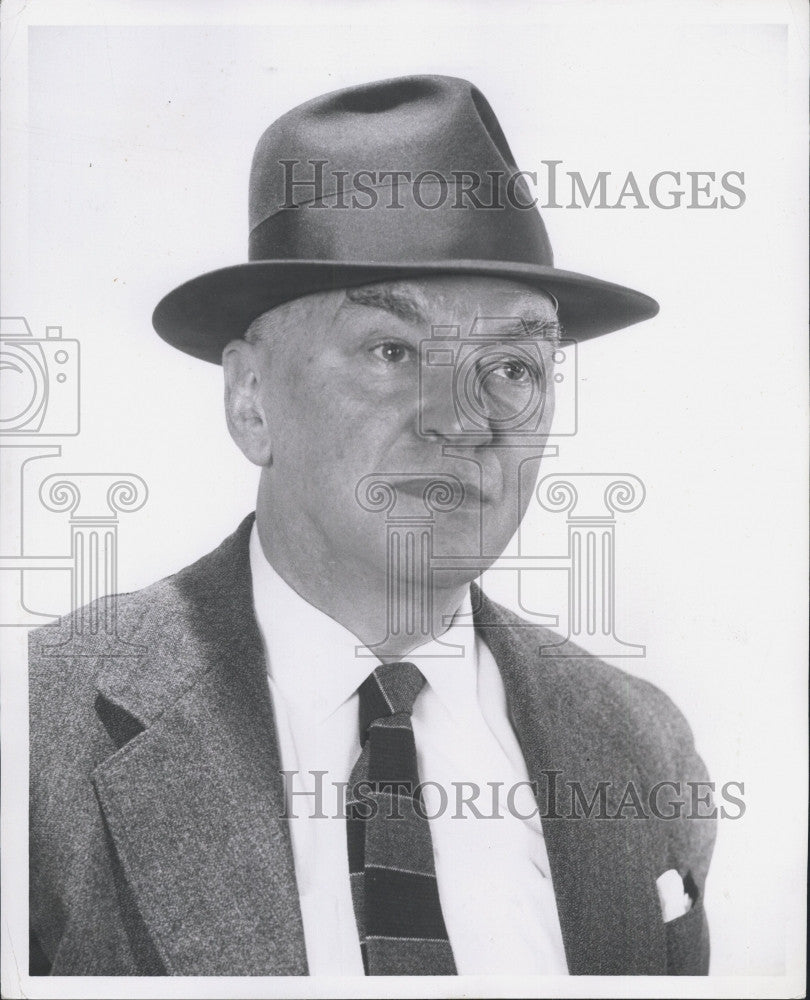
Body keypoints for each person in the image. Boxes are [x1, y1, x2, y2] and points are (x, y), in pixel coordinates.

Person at [29, 75, 715, 977]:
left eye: (513, 365)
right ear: (250, 400)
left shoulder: (641, 746)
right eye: (392, 352)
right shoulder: (37, 733)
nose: (466, 420)